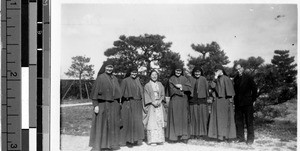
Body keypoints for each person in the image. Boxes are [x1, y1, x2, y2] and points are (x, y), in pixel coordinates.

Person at [89, 60, 122, 151]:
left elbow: (118, 92)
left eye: (111, 67)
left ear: (113, 68)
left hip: (113, 105)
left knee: (112, 125)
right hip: (102, 104)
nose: (109, 69)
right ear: (104, 67)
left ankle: (110, 145)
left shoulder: (115, 78)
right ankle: (98, 146)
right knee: (101, 125)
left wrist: (118, 102)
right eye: (108, 67)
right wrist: (95, 105)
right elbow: (95, 92)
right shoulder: (100, 77)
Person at [208, 65, 236, 141]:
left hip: (225, 101)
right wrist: (215, 78)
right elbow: (212, 87)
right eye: (215, 70)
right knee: (218, 119)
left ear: (221, 70)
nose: (215, 72)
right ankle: (219, 136)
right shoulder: (215, 79)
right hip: (217, 101)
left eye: (217, 70)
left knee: (224, 119)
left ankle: (226, 136)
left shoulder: (226, 79)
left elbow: (229, 92)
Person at [166, 65, 192, 143]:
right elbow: (172, 90)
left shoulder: (185, 79)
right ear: (174, 71)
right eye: (177, 70)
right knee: (175, 118)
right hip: (175, 100)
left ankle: (184, 137)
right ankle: (174, 137)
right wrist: (181, 92)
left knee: (183, 118)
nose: (178, 72)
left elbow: (189, 88)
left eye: (180, 71)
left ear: (182, 71)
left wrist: (181, 87)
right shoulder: (171, 79)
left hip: (183, 101)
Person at [119, 66, 145, 146]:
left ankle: (136, 139)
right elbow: (120, 94)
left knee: (137, 122)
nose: (134, 74)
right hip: (128, 103)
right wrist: (120, 103)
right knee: (128, 122)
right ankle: (125, 140)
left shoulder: (138, 81)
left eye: (135, 72)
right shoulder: (125, 80)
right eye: (133, 72)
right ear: (129, 72)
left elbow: (141, 93)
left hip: (138, 104)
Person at [233, 64, 257, 145]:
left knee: (249, 121)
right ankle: (240, 138)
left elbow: (254, 89)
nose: (238, 70)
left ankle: (250, 139)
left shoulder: (248, 77)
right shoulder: (236, 78)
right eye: (236, 69)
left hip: (247, 103)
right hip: (238, 104)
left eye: (239, 69)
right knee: (238, 121)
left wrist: (253, 100)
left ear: (243, 68)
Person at [143, 69, 166, 145]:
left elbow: (162, 94)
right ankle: (152, 140)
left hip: (159, 104)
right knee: (152, 121)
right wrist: (152, 102)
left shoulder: (160, 84)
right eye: (152, 74)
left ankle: (159, 139)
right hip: (151, 105)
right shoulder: (147, 85)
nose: (154, 76)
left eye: (156, 75)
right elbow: (146, 95)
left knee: (159, 121)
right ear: (150, 76)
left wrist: (159, 101)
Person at [188, 66, 210, 139]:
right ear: (193, 72)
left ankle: (201, 134)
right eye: (196, 72)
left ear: (201, 72)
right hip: (192, 100)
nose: (197, 73)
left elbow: (207, 90)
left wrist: (207, 98)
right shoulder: (190, 78)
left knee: (202, 118)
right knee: (193, 117)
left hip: (202, 101)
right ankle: (193, 133)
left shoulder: (204, 79)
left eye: (199, 72)